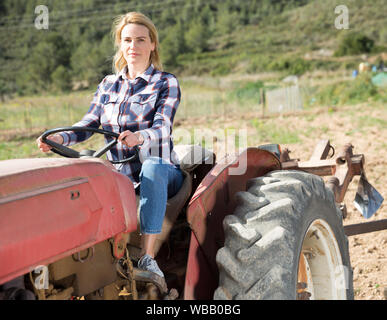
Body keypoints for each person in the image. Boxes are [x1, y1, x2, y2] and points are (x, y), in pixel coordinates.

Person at [36, 12, 183, 279]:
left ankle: (148, 259)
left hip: (162, 171)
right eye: (127, 40)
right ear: (120, 44)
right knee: (82, 170)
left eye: (141, 40)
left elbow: (163, 127)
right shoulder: (108, 85)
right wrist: (59, 138)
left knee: (152, 167)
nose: (133, 46)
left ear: (153, 45)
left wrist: (140, 137)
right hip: (121, 175)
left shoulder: (165, 82)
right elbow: (88, 123)